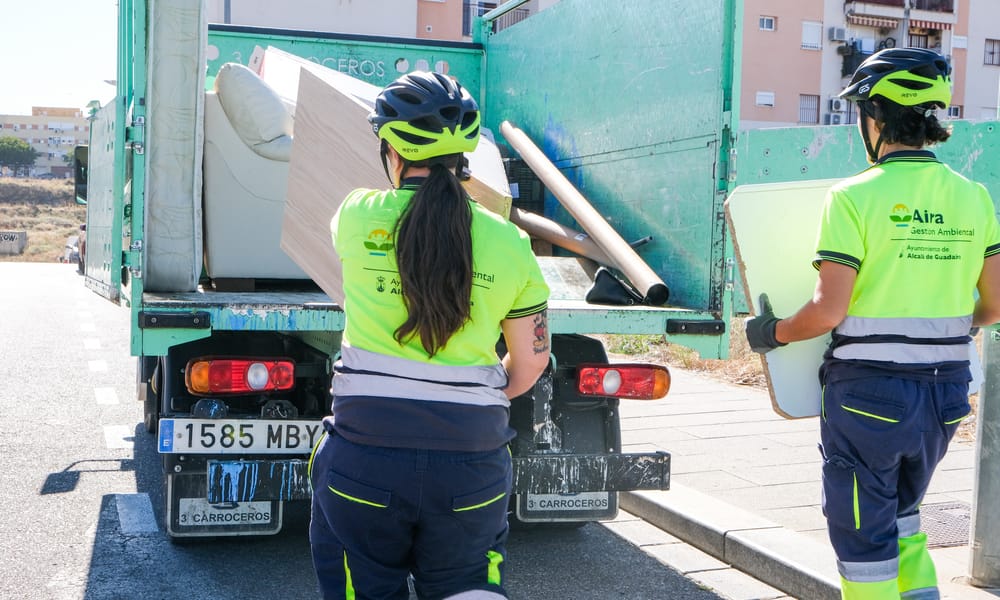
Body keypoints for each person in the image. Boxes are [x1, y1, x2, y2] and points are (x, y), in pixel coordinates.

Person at [745, 48, 1000, 600]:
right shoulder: (974, 197)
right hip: (947, 394)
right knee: (904, 520)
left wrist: (772, 332)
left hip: (869, 396)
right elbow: (995, 306)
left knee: (863, 546)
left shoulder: (854, 196)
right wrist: (948, 325)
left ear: (875, 117)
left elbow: (828, 311)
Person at [308, 71, 551, 600]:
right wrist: (474, 396)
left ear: (390, 151)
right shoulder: (509, 242)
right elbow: (530, 364)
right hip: (471, 461)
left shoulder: (355, 217)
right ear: (465, 156)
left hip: (366, 458)